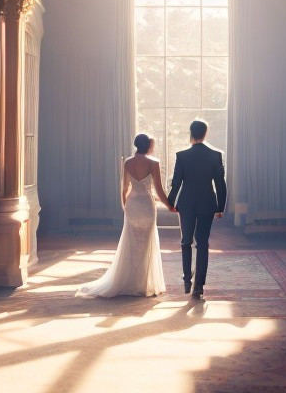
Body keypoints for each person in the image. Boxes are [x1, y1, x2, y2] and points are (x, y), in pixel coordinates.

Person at [77, 134, 172, 297]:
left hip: (132, 206)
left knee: (132, 243)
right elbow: (159, 190)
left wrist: (126, 207)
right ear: (149, 145)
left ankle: (130, 281)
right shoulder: (153, 163)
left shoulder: (128, 162)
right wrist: (170, 205)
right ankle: (143, 283)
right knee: (146, 242)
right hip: (147, 206)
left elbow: (125, 189)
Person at [167, 119, 227, 300]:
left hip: (186, 203)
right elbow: (220, 184)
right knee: (202, 243)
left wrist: (171, 202)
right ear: (205, 133)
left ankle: (187, 280)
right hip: (207, 203)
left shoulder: (182, 155)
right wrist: (220, 206)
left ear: (190, 132)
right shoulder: (215, 155)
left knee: (186, 241)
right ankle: (199, 286)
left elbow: (176, 182)